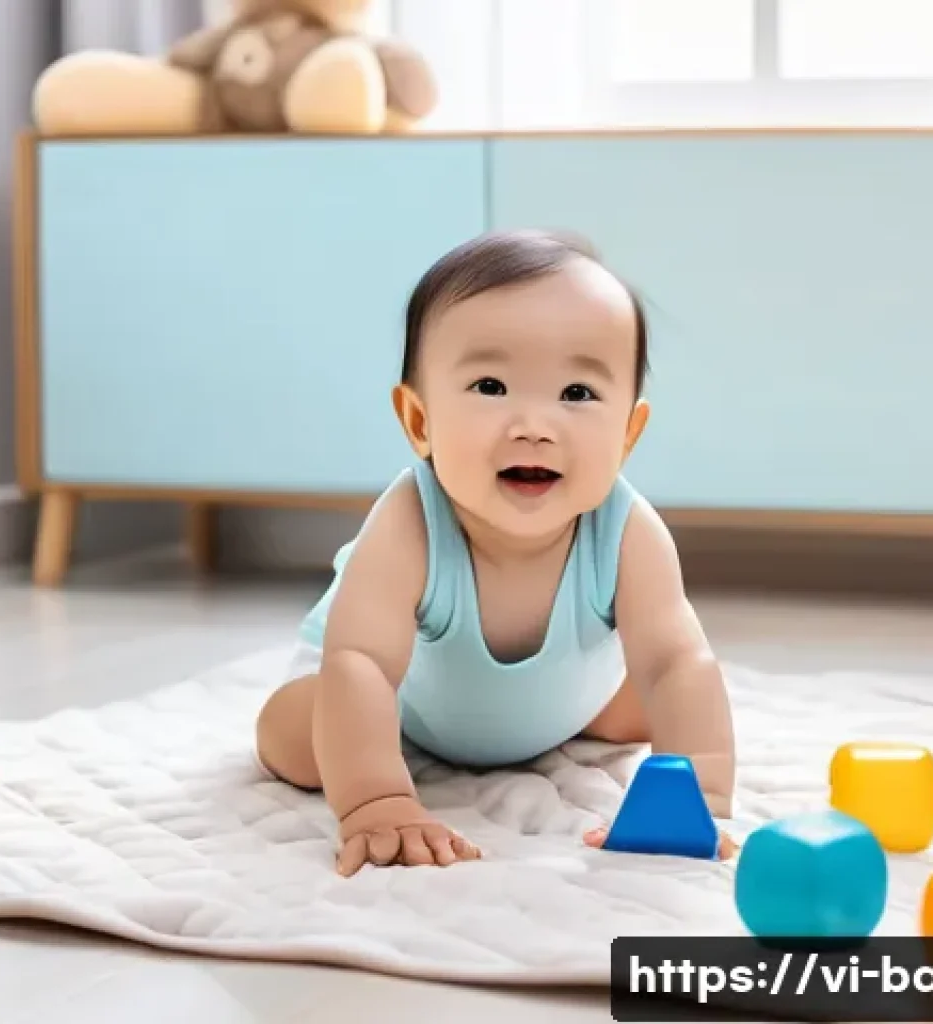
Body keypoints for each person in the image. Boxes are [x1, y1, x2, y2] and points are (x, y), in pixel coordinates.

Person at [256, 229, 737, 876]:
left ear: (628, 434)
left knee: (666, 699)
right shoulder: (409, 524)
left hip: (565, 699)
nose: (534, 425)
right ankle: (368, 751)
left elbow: (678, 663)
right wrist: (377, 801)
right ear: (420, 422)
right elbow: (363, 664)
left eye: (577, 393)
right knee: (298, 738)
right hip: (404, 704)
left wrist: (699, 800)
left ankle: (559, 722)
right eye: (490, 385)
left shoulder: (628, 532)